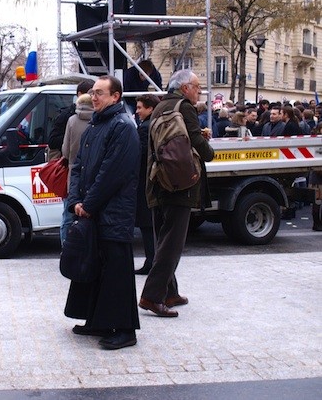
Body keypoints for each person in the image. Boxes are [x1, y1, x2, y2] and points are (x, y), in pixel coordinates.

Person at [64, 75, 140, 350]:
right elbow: (78, 166)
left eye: (100, 93)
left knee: (117, 272)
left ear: (116, 96)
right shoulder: (95, 126)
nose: (94, 97)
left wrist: (89, 204)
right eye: (93, 93)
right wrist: (75, 200)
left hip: (113, 213)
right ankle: (98, 320)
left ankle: (124, 329)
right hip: (92, 211)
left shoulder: (123, 127)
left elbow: (112, 174)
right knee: (95, 268)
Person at [139, 70, 214, 317]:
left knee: (164, 238)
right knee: (172, 243)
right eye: (196, 86)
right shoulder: (185, 107)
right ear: (184, 88)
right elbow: (194, 141)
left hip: (158, 180)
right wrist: (209, 151)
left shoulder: (161, 106)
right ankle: (152, 296)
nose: (199, 91)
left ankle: (170, 292)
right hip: (179, 185)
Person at [60, 93, 94, 244]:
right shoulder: (98, 121)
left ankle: (67, 248)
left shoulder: (72, 121)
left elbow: (65, 151)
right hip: (93, 175)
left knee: (68, 215)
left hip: (74, 173)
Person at [134, 94, 160, 275]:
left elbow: (140, 155)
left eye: (140, 108)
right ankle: (153, 261)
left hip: (145, 182)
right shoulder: (157, 124)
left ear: (150, 108)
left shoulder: (145, 128)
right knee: (152, 225)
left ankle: (151, 261)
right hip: (154, 181)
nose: (137, 111)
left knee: (147, 225)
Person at [47, 79, 95, 160]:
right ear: (80, 94)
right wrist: (70, 137)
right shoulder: (68, 116)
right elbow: (53, 141)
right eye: (90, 94)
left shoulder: (100, 114)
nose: (94, 98)